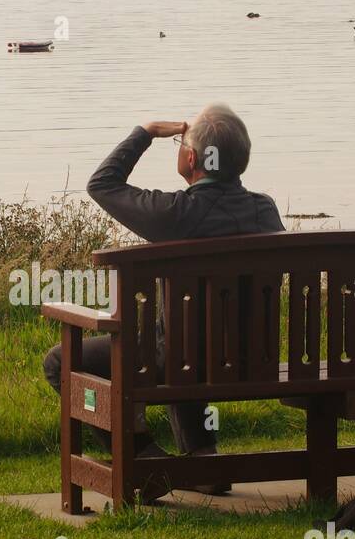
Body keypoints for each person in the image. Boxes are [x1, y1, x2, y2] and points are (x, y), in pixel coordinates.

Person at [42, 103, 283, 497]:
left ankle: (142, 459)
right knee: (185, 342)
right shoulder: (266, 210)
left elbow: (102, 184)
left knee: (62, 361)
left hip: (182, 361)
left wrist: (146, 131)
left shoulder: (175, 214)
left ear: (190, 158)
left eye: (179, 144)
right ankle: (203, 459)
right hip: (253, 360)